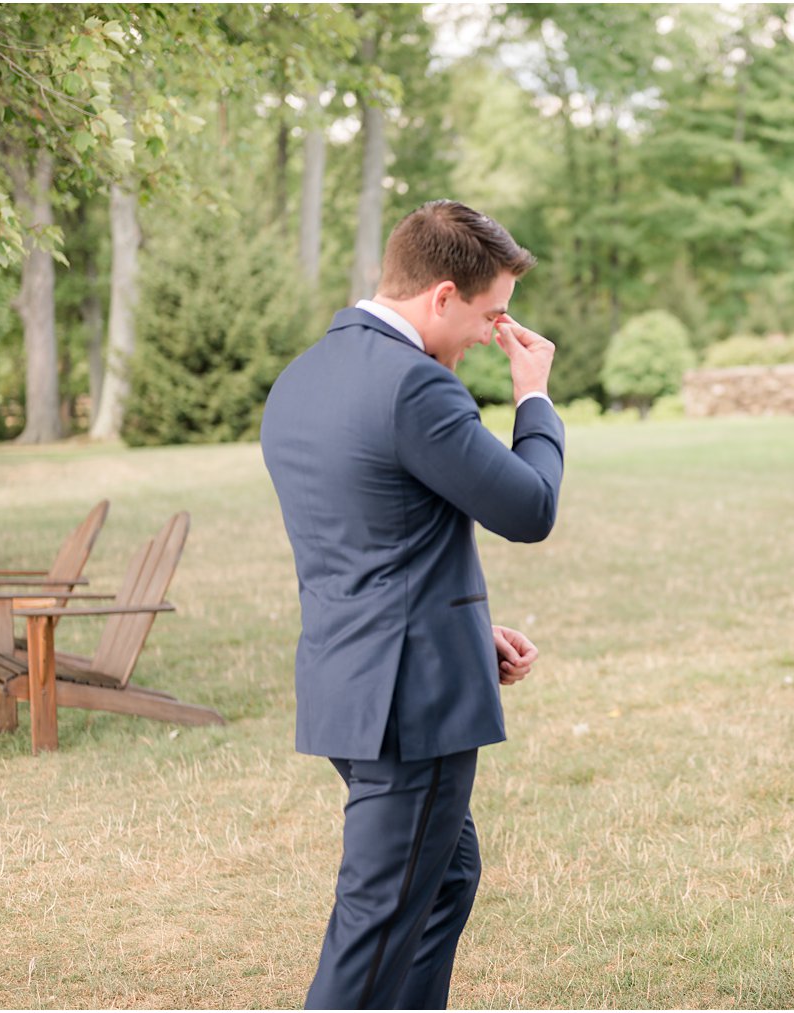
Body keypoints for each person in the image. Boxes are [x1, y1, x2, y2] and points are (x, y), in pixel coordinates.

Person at [260, 200, 564, 1009]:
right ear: (440, 296)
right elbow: (530, 507)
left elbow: (372, 543)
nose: (491, 334)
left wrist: (467, 630)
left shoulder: (302, 378)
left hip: (347, 687)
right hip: (410, 709)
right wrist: (532, 395)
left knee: (444, 876)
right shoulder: (414, 388)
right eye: (489, 315)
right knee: (374, 928)